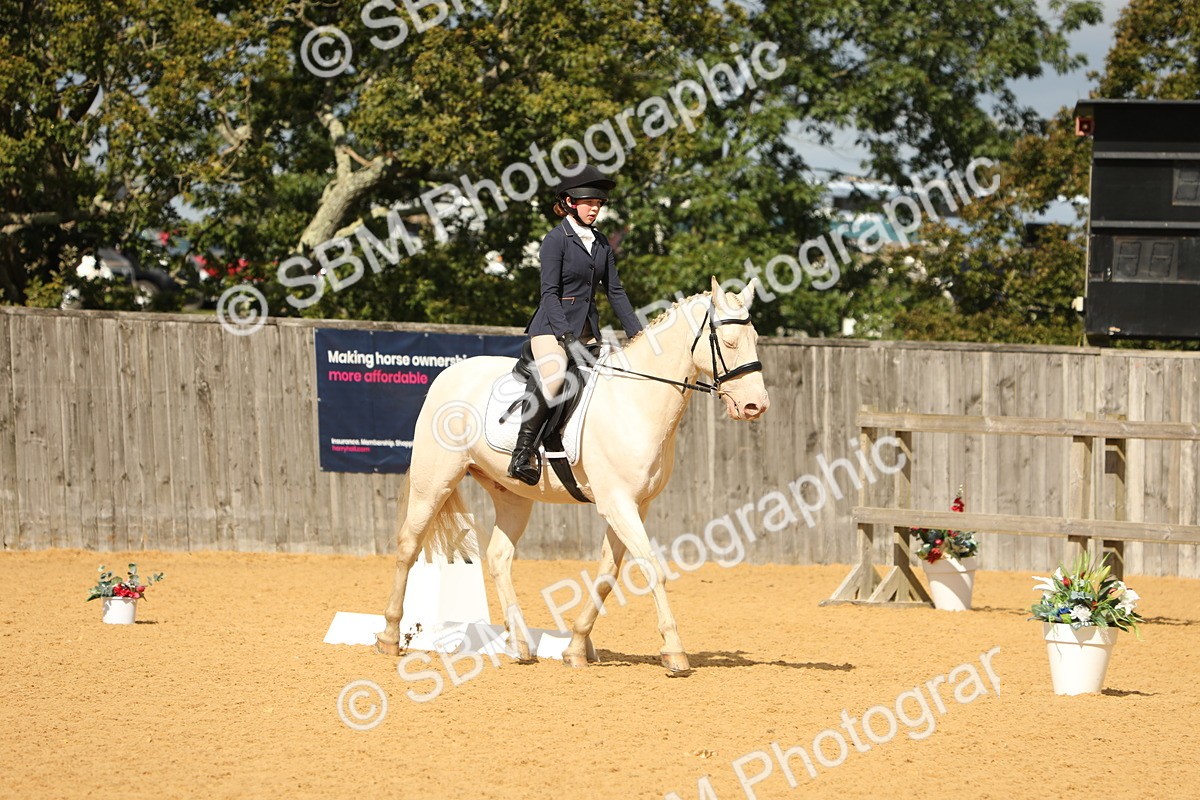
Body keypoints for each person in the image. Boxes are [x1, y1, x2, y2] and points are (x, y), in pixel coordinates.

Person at [507, 165, 644, 485]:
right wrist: (564, 335)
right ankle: (522, 451)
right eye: (589, 203)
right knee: (554, 378)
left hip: (587, 332)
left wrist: (639, 333)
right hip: (550, 329)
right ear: (569, 202)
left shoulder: (600, 243)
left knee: (610, 381)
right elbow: (549, 294)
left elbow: (616, 292)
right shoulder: (556, 241)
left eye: (599, 205)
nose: (595, 209)